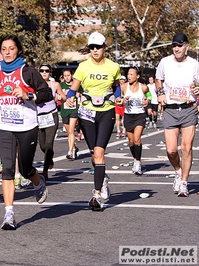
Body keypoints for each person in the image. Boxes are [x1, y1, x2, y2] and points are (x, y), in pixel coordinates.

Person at [0, 35, 53, 230]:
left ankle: (38, 182)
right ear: (0, 51)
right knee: (8, 169)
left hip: (26, 126)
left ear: (17, 50)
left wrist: (29, 95)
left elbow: (46, 93)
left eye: (11, 48)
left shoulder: (28, 71)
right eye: (4, 49)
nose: (8, 52)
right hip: (6, 126)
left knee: (26, 169)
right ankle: (9, 214)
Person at [65, 32, 121, 211]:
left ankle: (96, 195)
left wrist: (118, 98)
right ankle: (102, 177)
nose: (95, 50)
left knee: (99, 152)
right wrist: (69, 98)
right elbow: (73, 89)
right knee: (93, 153)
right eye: (92, 48)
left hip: (106, 112)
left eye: (98, 47)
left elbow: (117, 87)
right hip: (87, 113)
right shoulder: (83, 66)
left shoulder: (114, 67)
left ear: (105, 47)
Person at [155, 32, 199, 197]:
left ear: (186, 46)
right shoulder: (164, 62)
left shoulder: (194, 64)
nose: (176, 49)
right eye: (174, 45)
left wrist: (198, 90)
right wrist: (160, 93)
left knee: (187, 148)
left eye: (179, 45)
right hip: (171, 109)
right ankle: (178, 171)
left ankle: (184, 183)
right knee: (171, 150)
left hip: (188, 108)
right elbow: (158, 79)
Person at [37, 63, 65, 180]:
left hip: (51, 115)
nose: (44, 73)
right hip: (38, 116)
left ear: (50, 73)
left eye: (46, 71)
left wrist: (60, 98)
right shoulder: (34, 85)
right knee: (42, 145)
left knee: (49, 144)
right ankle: (50, 157)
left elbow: (64, 97)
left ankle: (44, 171)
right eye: (42, 70)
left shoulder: (55, 84)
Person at [121, 66, 151, 175]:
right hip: (128, 115)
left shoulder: (143, 87)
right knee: (131, 141)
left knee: (137, 138)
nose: (129, 76)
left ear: (137, 76)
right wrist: (123, 100)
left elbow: (149, 96)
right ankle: (135, 159)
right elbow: (119, 99)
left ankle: (138, 163)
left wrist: (147, 101)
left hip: (139, 115)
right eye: (128, 74)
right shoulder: (124, 86)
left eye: (131, 74)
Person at [60, 68, 82, 160]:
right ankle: (74, 147)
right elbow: (57, 97)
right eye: (65, 76)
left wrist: (78, 95)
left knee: (71, 131)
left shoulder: (76, 85)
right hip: (64, 110)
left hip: (74, 110)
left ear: (72, 75)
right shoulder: (61, 85)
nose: (67, 77)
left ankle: (70, 152)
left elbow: (82, 93)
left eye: (68, 75)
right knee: (69, 132)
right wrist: (61, 95)